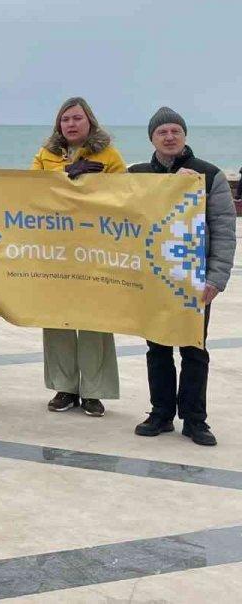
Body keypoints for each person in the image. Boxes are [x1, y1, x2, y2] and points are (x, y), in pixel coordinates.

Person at [129, 108, 236, 446]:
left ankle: (194, 419)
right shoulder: (139, 174)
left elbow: (223, 229)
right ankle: (160, 413)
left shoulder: (208, 174)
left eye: (176, 130)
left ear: (185, 135)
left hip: (194, 279)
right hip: (154, 277)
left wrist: (216, 278)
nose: (170, 136)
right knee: (156, 347)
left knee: (193, 349)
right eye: (162, 132)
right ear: (152, 138)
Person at [30, 96, 126, 417]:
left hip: (94, 249)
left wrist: (92, 185)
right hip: (55, 249)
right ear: (59, 124)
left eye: (77, 118)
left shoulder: (108, 156)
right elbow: (29, 192)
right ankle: (64, 386)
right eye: (65, 119)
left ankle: (94, 391)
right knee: (57, 318)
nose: (71, 124)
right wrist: (63, 177)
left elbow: (126, 196)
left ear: (90, 122)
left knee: (93, 319)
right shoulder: (45, 155)